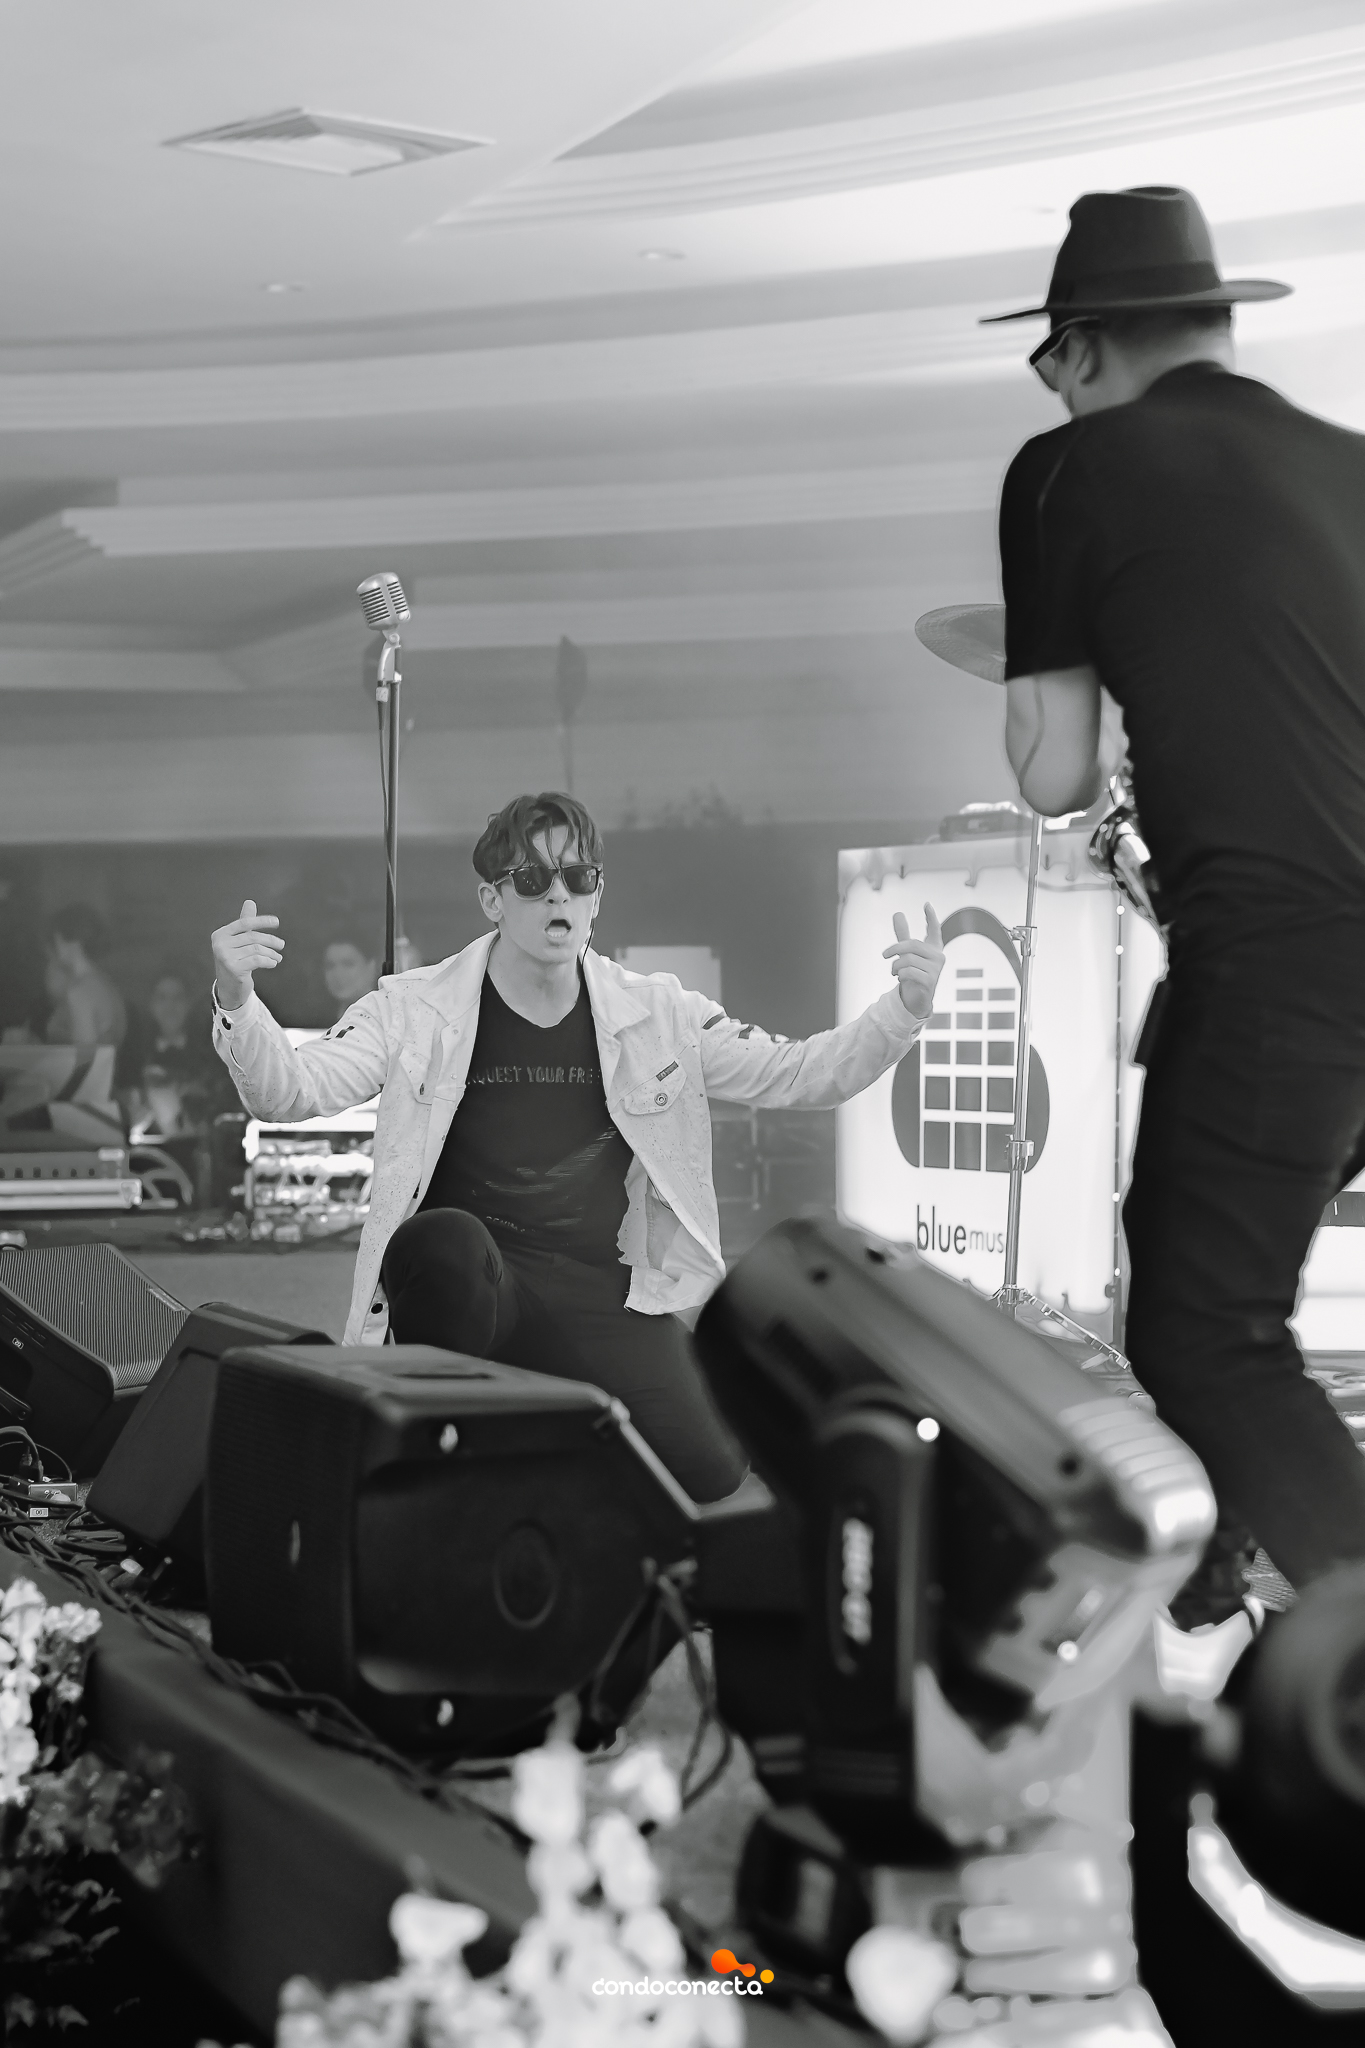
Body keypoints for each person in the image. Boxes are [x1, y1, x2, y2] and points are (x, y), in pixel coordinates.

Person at [992, 184, 1365, 1605]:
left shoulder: (1066, 470)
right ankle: (1220, 1567)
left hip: (1283, 955)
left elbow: (1054, 771)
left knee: (1206, 1329)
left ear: (1084, 347)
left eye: (1049, 363)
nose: (1052, 391)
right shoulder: (1351, 463)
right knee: (1214, 1286)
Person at [209, 791, 944, 1503]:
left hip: (598, 1281)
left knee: (711, 1469)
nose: (557, 894)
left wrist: (901, 1011)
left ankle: (535, 1452)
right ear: (493, 900)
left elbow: (795, 1073)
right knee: (442, 1246)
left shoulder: (659, 1013)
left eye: (577, 877)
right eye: (532, 880)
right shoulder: (412, 1007)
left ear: (597, 895)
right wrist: (237, 1001)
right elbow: (291, 1092)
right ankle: (447, 1451)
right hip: (475, 1281)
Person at [119, 971, 225, 1133]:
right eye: (162, 998)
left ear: (188, 1004)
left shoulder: (211, 1052)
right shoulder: (135, 1056)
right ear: (151, 1005)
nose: (170, 1006)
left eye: (177, 998)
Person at [43, 904, 126, 1051]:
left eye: (57, 938)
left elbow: (85, 1056)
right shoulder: (103, 982)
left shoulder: (81, 991)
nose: (56, 945)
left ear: (73, 942)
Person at [322, 933, 380, 1020]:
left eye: (348, 964)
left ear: (371, 966)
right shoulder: (319, 1018)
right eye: (330, 966)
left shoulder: (388, 1017)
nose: (338, 974)